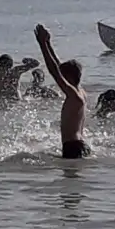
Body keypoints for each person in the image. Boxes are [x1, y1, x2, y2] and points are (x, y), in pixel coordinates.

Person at [34, 24, 88, 158]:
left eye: (65, 77)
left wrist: (42, 45)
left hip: (73, 147)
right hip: (78, 145)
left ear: (69, 77)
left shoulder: (74, 95)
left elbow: (55, 71)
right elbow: (59, 67)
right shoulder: (80, 91)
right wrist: (48, 42)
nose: (61, 79)